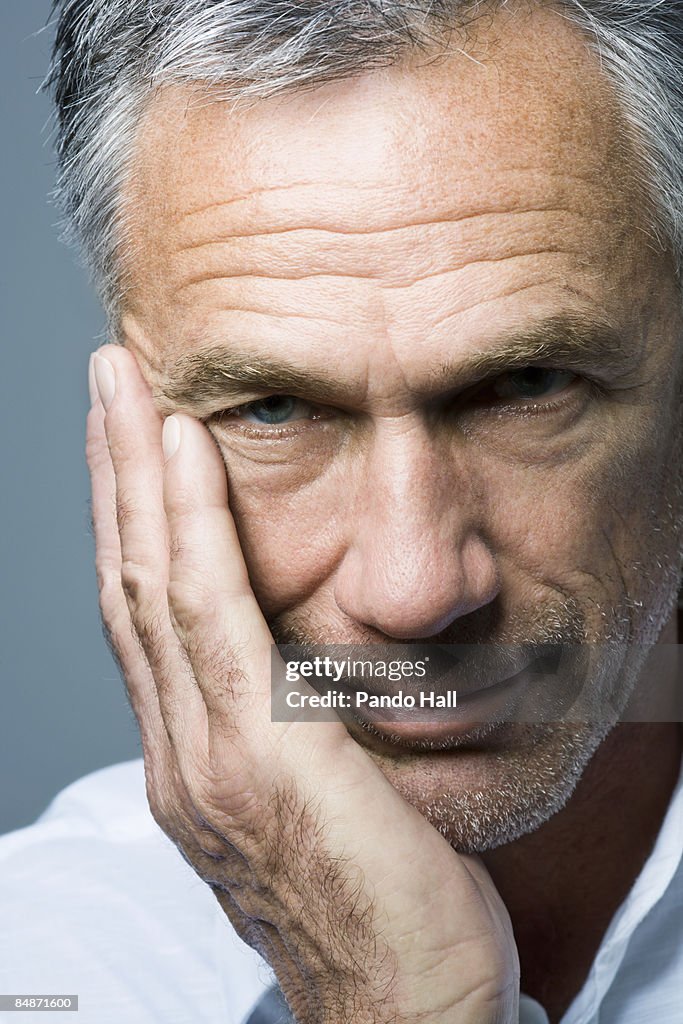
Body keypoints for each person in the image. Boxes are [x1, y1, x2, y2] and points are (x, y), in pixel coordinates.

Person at [1, 1, 682, 1022]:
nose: (413, 592)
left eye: (527, 383)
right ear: (132, 423)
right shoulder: (42, 962)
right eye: (271, 407)